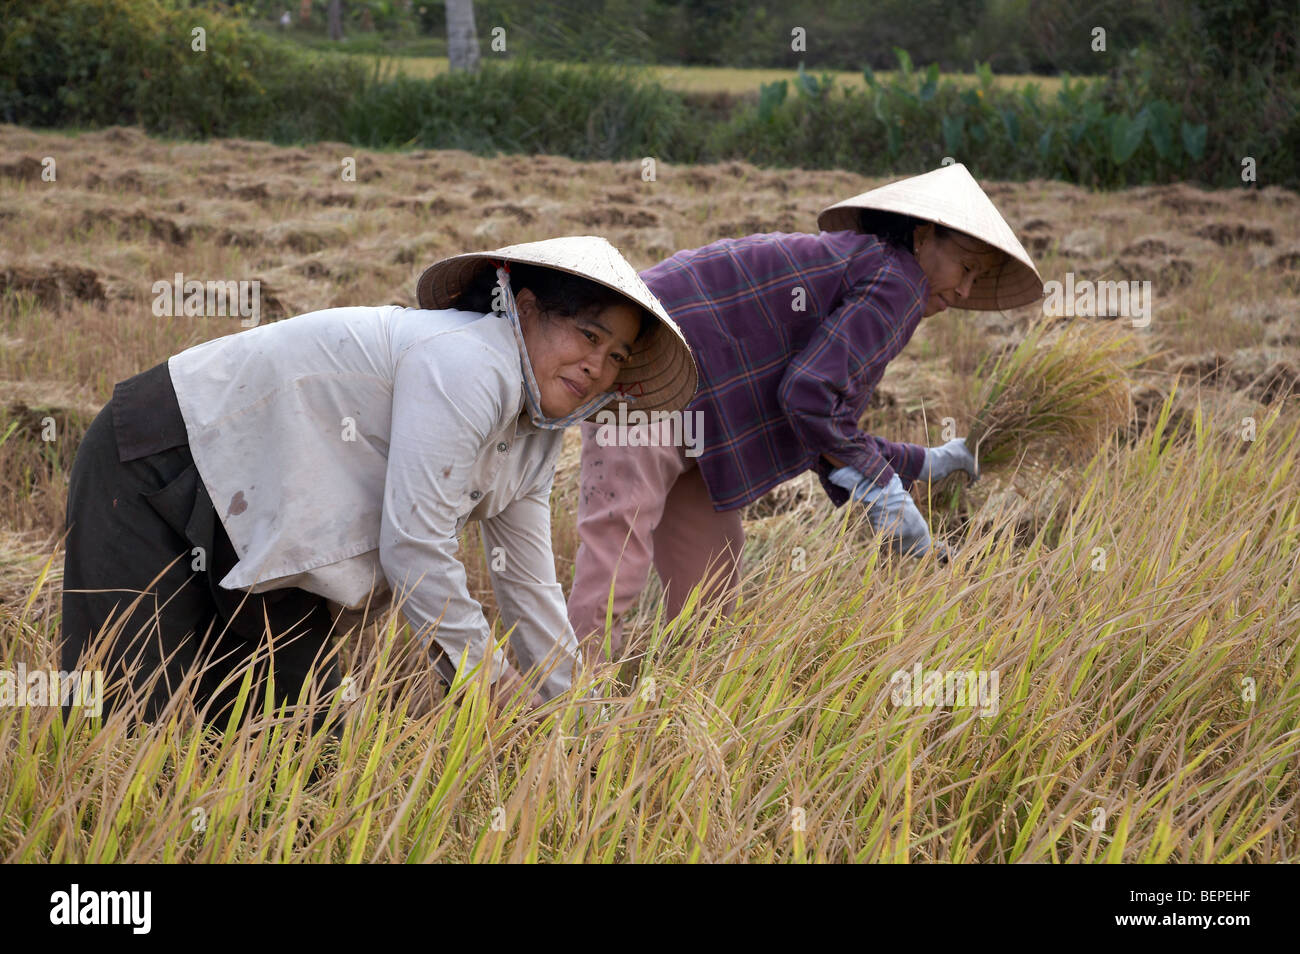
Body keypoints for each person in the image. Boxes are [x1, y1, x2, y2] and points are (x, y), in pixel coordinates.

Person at [59, 235, 696, 734]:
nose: (597, 364)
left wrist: (576, 726)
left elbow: (528, 585)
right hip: (163, 454)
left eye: (615, 356)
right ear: (523, 308)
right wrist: (487, 680)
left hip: (267, 526)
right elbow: (414, 545)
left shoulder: (532, 435)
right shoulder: (468, 363)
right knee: (125, 715)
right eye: (589, 335)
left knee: (294, 749)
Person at [568, 163, 1044, 663]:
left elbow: (823, 424)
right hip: (652, 365)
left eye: (978, 278)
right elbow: (811, 398)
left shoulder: (873, 266)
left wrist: (923, 463)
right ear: (924, 237)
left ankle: (685, 708)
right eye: (966, 268)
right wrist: (883, 489)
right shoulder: (899, 282)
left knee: (710, 587)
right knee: (616, 555)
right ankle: (573, 713)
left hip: (705, 417)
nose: (966, 291)